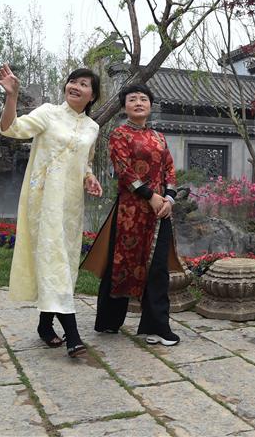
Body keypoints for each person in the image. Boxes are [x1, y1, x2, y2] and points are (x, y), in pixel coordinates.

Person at [0, 64, 103, 358]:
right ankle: (73, 336)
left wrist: (90, 177)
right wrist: (12, 97)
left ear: (92, 95)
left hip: (70, 206)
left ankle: (45, 325)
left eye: (84, 84)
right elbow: (10, 129)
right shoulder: (48, 113)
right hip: (43, 201)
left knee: (65, 263)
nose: (75, 86)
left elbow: (85, 161)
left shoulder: (93, 128)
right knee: (55, 260)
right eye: (73, 81)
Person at [83, 83, 184, 345]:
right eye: (132, 99)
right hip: (130, 210)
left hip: (159, 213)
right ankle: (108, 321)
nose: (138, 103)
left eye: (143, 99)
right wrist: (150, 196)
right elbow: (125, 171)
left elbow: (170, 170)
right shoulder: (119, 135)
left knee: (158, 269)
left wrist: (169, 199)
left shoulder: (159, 138)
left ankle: (156, 326)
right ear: (125, 106)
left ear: (150, 105)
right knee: (120, 265)